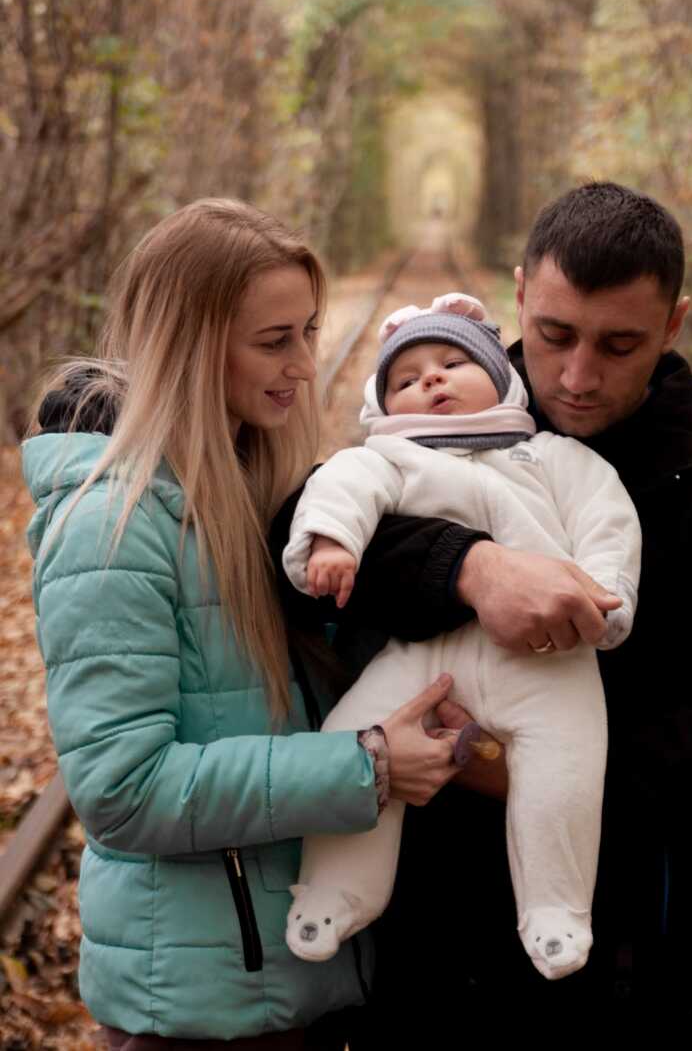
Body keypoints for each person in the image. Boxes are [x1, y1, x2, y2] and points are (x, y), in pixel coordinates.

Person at [272, 181, 692, 1049]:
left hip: (621, 984)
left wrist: (513, 763)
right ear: (521, 293)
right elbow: (301, 540)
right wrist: (470, 568)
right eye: (556, 334)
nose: (575, 375)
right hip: (419, 969)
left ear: (673, 326)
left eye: (619, 344)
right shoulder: (444, 411)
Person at [21, 198, 463, 1049]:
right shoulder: (110, 523)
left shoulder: (259, 483)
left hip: (291, 976)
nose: (304, 363)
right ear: (190, 346)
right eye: (274, 341)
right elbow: (122, 788)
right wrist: (365, 766)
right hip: (201, 1004)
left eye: (308, 331)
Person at [279, 292, 641, 980]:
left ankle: (556, 909)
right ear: (385, 408)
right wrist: (332, 541)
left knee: (566, 761)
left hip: (545, 657)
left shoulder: (549, 456)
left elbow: (607, 518)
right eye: (406, 379)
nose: (431, 380)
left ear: (501, 378)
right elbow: (342, 487)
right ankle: (334, 890)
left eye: (452, 362)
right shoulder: (388, 457)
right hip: (422, 659)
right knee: (353, 738)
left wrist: (604, 595)